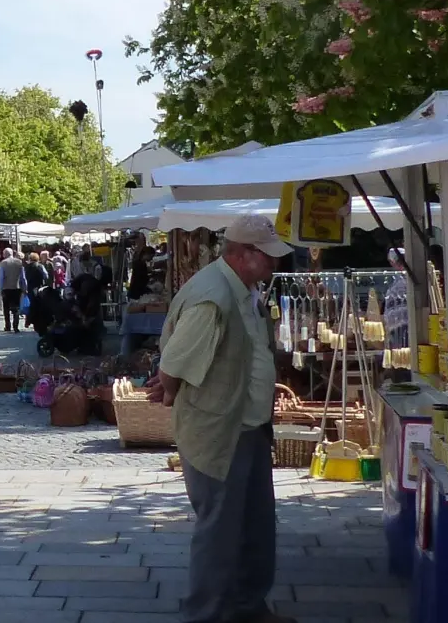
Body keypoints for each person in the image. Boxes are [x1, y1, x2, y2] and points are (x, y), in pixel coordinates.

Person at [151, 214, 295, 623]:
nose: (274, 264)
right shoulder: (214, 295)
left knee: (254, 526)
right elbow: (172, 365)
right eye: (266, 256)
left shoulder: (243, 290)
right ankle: (208, 615)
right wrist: (173, 388)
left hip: (246, 426)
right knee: (219, 532)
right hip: (220, 430)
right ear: (241, 254)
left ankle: (249, 607)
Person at [0, 247, 25, 332]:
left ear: (5, 254)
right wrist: (24, 287)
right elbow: (23, 277)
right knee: (16, 308)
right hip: (17, 288)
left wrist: (0, 288)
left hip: (6, 288)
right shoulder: (19, 262)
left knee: (6, 308)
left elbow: (1, 277)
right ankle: (16, 326)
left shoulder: (3, 263)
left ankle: (8, 326)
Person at [22, 252, 50, 326]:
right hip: (39, 287)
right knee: (39, 304)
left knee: (30, 304)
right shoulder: (40, 266)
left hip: (30, 287)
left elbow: (23, 278)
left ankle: (28, 320)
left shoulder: (26, 267)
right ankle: (38, 320)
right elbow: (46, 276)